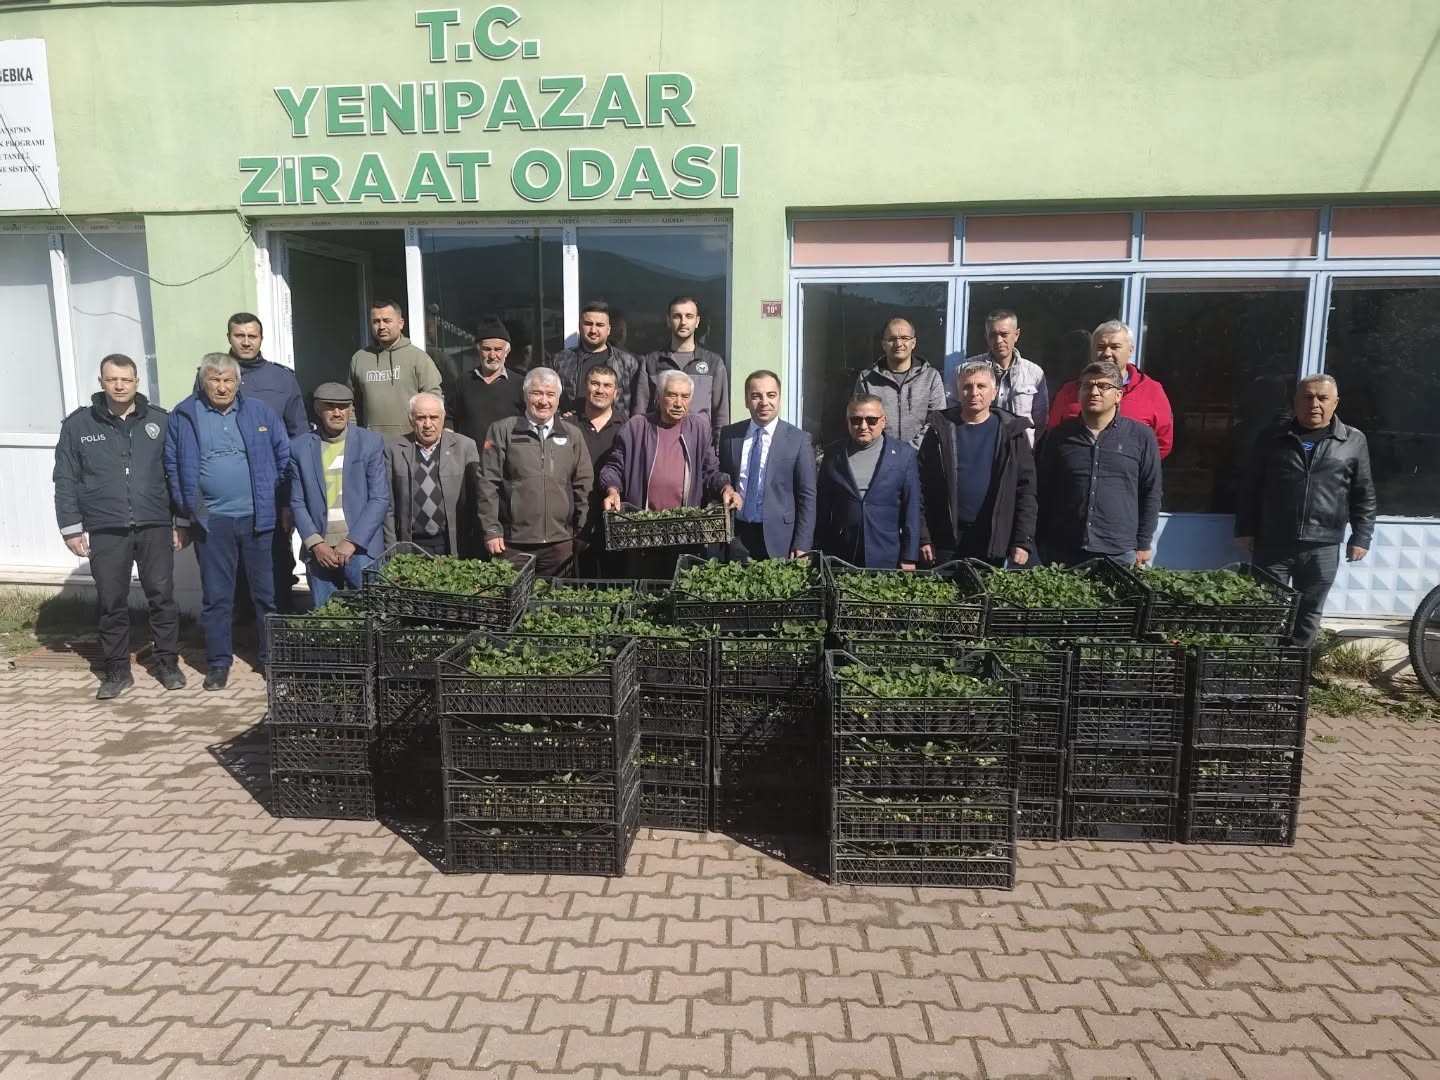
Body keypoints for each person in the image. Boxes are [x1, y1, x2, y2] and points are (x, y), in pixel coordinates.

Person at [54, 354, 187, 699]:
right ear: (101, 382)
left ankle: (167, 663)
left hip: (154, 522)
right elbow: (65, 478)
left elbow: (177, 473)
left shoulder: (160, 421)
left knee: (162, 597)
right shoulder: (78, 426)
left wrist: (183, 520)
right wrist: (71, 527)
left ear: (136, 382)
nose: (119, 386)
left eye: (126, 380)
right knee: (112, 601)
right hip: (106, 526)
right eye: (112, 379)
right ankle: (116, 669)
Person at [165, 353, 291, 690]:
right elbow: (173, 466)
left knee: (266, 595)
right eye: (215, 380)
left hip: (258, 519)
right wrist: (186, 511)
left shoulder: (259, 412)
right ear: (203, 381)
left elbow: (283, 456)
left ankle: (271, 660)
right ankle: (218, 663)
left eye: (228, 380)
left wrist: (277, 500)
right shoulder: (184, 415)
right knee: (217, 597)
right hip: (212, 521)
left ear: (238, 382)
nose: (222, 387)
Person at [1235, 374, 1376, 649]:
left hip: (1322, 544)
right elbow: (1251, 486)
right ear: (1295, 401)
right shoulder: (1272, 436)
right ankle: (1260, 664)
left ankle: (1295, 665)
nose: (1315, 404)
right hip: (1274, 541)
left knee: (1309, 611)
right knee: (1265, 608)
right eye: (1307, 397)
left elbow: (1364, 493)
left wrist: (1362, 537)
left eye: (1323, 398)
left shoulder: (1353, 440)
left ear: (1335, 402)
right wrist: (1245, 528)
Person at [208, 312, 305, 613]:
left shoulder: (282, 378)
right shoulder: (211, 377)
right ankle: (241, 628)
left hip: (271, 490)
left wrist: (291, 497)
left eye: (252, 336)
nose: (246, 342)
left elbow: (298, 436)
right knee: (232, 569)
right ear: (229, 337)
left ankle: (280, 627)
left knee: (277, 564)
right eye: (240, 335)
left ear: (261, 339)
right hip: (227, 494)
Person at [601, 371, 739, 577]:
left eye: (685, 397)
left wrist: (726, 488)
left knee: (679, 587)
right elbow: (614, 466)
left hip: (685, 532)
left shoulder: (699, 428)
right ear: (658, 397)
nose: (678, 403)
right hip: (642, 531)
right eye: (672, 395)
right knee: (644, 587)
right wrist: (612, 490)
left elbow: (710, 470)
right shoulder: (637, 427)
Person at [1036, 360, 1161, 568]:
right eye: (1087, 385)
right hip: (1065, 549)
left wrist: (1144, 543)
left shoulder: (1141, 436)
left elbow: (1151, 492)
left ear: (1118, 395)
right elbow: (1044, 490)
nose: (1094, 392)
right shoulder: (1060, 436)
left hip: (1119, 551)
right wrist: (1042, 540)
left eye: (1103, 386)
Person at [918, 361, 1037, 568]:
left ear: (994, 392)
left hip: (992, 537)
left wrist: (1022, 540)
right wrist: (923, 536)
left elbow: (1026, 490)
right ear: (958, 392)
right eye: (967, 386)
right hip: (946, 539)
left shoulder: (1012, 433)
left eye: (981, 386)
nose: (974, 393)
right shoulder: (939, 430)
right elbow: (920, 486)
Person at [476, 367, 593, 579]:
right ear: (525, 395)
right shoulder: (503, 430)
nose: (543, 401)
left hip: (561, 544)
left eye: (550, 394)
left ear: (558, 399)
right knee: (512, 599)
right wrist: (491, 530)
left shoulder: (572, 435)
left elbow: (583, 485)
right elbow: (487, 483)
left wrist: (581, 531)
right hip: (512, 544)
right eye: (537, 393)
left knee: (557, 600)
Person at [288, 382, 390, 606]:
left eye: (343, 406)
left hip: (361, 547)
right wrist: (316, 544)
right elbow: (297, 501)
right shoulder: (299, 447)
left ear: (351, 409)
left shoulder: (370, 443)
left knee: (372, 612)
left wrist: (352, 542)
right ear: (317, 409)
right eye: (330, 406)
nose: (337, 412)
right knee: (327, 617)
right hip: (319, 548)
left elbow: (379, 498)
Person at [717, 370, 816, 561]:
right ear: (746, 400)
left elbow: (807, 496)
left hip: (780, 538)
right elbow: (723, 477)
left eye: (771, 395)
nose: (764, 402)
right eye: (756, 396)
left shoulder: (798, 439)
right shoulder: (730, 435)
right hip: (737, 535)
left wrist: (803, 543)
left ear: (779, 398)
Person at [815, 395, 921, 570]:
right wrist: (817, 548)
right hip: (841, 553)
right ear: (848, 422)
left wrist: (909, 556)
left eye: (871, 420)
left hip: (887, 552)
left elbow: (912, 507)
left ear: (883, 421)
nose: (863, 426)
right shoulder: (833, 454)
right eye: (856, 420)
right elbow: (822, 506)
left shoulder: (904, 455)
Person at [1047, 320, 1174, 460]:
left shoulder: (1152, 390)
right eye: (1101, 347)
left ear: (1130, 351)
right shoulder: (1070, 391)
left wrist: (1131, 465)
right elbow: (1053, 435)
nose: (1107, 353)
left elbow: (1162, 443)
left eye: (1115, 347)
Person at [383, 392, 481, 557]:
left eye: (433, 417)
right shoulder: (393, 449)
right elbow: (388, 506)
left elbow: (478, 499)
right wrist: (392, 549)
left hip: (453, 544)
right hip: (411, 545)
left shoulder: (465, 446)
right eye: (421, 418)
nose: (427, 424)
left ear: (443, 418)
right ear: (411, 420)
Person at [632, 296, 729, 447]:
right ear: (668, 321)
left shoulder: (713, 363)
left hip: (699, 445)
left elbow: (721, 416)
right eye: (677, 316)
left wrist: (717, 451)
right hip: (660, 444)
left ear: (697, 321)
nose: (683, 322)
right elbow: (640, 412)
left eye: (689, 316)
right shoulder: (652, 361)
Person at [349, 299, 444, 439]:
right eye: (376, 322)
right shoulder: (360, 359)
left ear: (401, 323)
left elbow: (434, 400)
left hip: (409, 443)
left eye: (387, 321)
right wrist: (353, 435)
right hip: (370, 443)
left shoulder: (418, 358)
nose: (381, 326)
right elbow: (351, 403)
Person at [852, 317, 947, 449]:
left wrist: (910, 451)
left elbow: (936, 420)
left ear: (913, 343)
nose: (898, 344)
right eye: (892, 339)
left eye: (904, 338)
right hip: (881, 455)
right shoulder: (867, 378)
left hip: (921, 456)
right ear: (883, 344)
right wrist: (886, 452)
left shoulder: (931, 377)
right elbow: (861, 419)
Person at [963, 308, 1049, 444]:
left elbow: (1040, 420)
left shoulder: (1034, 373)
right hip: (980, 445)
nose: (998, 340)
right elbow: (954, 409)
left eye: (1004, 334)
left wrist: (1025, 445)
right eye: (993, 335)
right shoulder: (968, 370)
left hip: (1019, 447)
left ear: (1016, 335)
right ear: (986, 337)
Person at [575, 364, 628, 578]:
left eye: (607, 386)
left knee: (614, 582)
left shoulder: (628, 427)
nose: (600, 390)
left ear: (616, 393)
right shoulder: (567, 425)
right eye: (595, 384)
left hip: (614, 517)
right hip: (575, 519)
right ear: (585, 387)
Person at [551, 301, 641, 417]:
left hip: (616, 427)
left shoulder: (628, 362)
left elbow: (637, 405)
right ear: (579, 326)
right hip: (571, 427)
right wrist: (560, 418)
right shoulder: (560, 361)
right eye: (588, 324)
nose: (593, 330)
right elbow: (550, 398)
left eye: (599, 325)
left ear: (608, 329)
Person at [455, 318, 526, 445]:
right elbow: (450, 417)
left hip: (507, 455)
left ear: (507, 351)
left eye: (498, 349)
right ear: (478, 350)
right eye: (487, 349)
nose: (492, 355)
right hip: (471, 455)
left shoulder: (520, 384)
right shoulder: (463, 383)